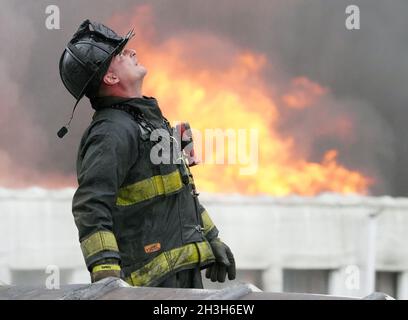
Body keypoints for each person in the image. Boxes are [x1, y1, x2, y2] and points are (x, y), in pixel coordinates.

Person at [58, 19, 236, 288]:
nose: (131, 52)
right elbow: (91, 205)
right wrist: (106, 272)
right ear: (110, 77)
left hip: (180, 282)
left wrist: (211, 239)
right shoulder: (111, 133)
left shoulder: (148, 121)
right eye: (120, 53)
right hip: (148, 289)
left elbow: (180, 192)